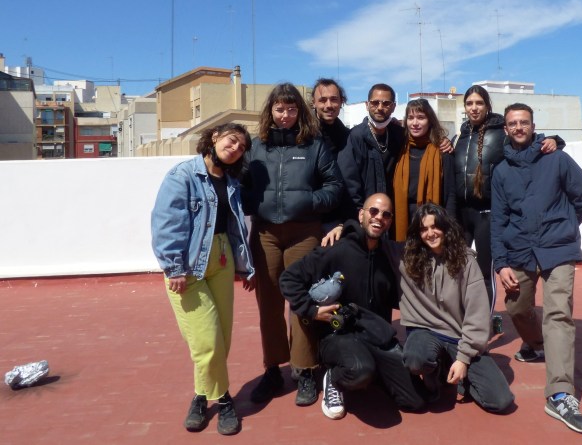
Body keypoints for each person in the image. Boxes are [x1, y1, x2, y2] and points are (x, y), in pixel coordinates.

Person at [491, 103, 582, 434]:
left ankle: (560, 394)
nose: (519, 127)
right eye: (513, 123)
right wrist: (501, 263)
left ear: (533, 126)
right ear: (505, 129)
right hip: (520, 249)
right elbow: (498, 221)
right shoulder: (501, 171)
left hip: (557, 248)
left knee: (558, 315)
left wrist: (565, 225)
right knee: (516, 307)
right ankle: (535, 344)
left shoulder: (557, 158)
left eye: (524, 122)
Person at [279, 193, 427, 420]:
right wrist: (312, 310)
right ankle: (333, 377)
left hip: (376, 335)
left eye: (386, 215)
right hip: (339, 335)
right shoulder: (336, 248)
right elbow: (289, 278)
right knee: (360, 370)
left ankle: (376, 370)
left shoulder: (388, 254)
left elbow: (424, 247)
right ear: (361, 215)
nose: (379, 218)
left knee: (416, 399)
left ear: (390, 221)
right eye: (373, 211)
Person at [242, 83, 343, 407]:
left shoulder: (314, 145)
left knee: (303, 301)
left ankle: (305, 370)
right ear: (270, 111)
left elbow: (334, 186)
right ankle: (273, 369)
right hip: (266, 235)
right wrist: (255, 204)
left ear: (300, 111)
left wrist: (309, 203)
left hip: (304, 233)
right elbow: (240, 185)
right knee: (269, 305)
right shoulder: (256, 147)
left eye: (291, 109)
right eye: (279, 109)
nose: (285, 115)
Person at [151, 123, 255, 436]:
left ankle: (200, 395)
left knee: (222, 338)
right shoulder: (182, 175)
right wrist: (174, 268)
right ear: (214, 136)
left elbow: (235, 227)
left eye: (241, 148)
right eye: (232, 141)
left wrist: (244, 266)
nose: (235, 149)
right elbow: (167, 223)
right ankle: (223, 399)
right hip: (189, 265)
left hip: (222, 259)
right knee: (206, 341)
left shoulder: (231, 181)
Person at [453, 85, 565, 319]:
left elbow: (529, 141)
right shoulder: (459, 137)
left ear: (487, 106)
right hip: (462, 215)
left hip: (487, 213)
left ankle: (484, 322)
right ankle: (461, 318)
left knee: (485, 272)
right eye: (469, 103)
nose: (474, 108)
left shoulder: (501, 134)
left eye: (479, 103)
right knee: (457, 270)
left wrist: (554, 140)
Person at [398, 203, 514, 413]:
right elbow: (372, 241)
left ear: (445, 227)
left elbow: (477, 314)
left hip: (459, 337)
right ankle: (437, 374)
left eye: (435, 226)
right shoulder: (409, 259)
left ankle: (461, 376)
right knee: (416, 358)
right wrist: (344, 227)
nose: (430, 233)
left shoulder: (466, 262)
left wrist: (463, 359)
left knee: (501, 401)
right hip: (426, 332)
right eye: (424, 229)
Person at [391, 98, 456, 241]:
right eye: (410, 118)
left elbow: (450, 194)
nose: (415, 123)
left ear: (430, 121)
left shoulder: (442, 151)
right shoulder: (399, 148)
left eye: (421, 117)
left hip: (433, 222)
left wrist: (450, 228)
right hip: (402, 219)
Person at [336, 83, 405, 212]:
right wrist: (360, 212)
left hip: (392, 213)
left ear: (393, 107)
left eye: (386, 103)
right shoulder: (354, 137)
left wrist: (440, 140)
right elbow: (349, 181)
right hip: (365, 214)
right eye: (375, 103)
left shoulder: (400, 135)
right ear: (367, 105)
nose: (380, 108)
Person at [311, 77, 353, 228]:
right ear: (314, 103)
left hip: (340, 219)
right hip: (308, 219)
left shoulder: (350, 138)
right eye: (322, 100)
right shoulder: (303, 137)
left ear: (342, 102)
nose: (329, 105)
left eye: (334, 99)